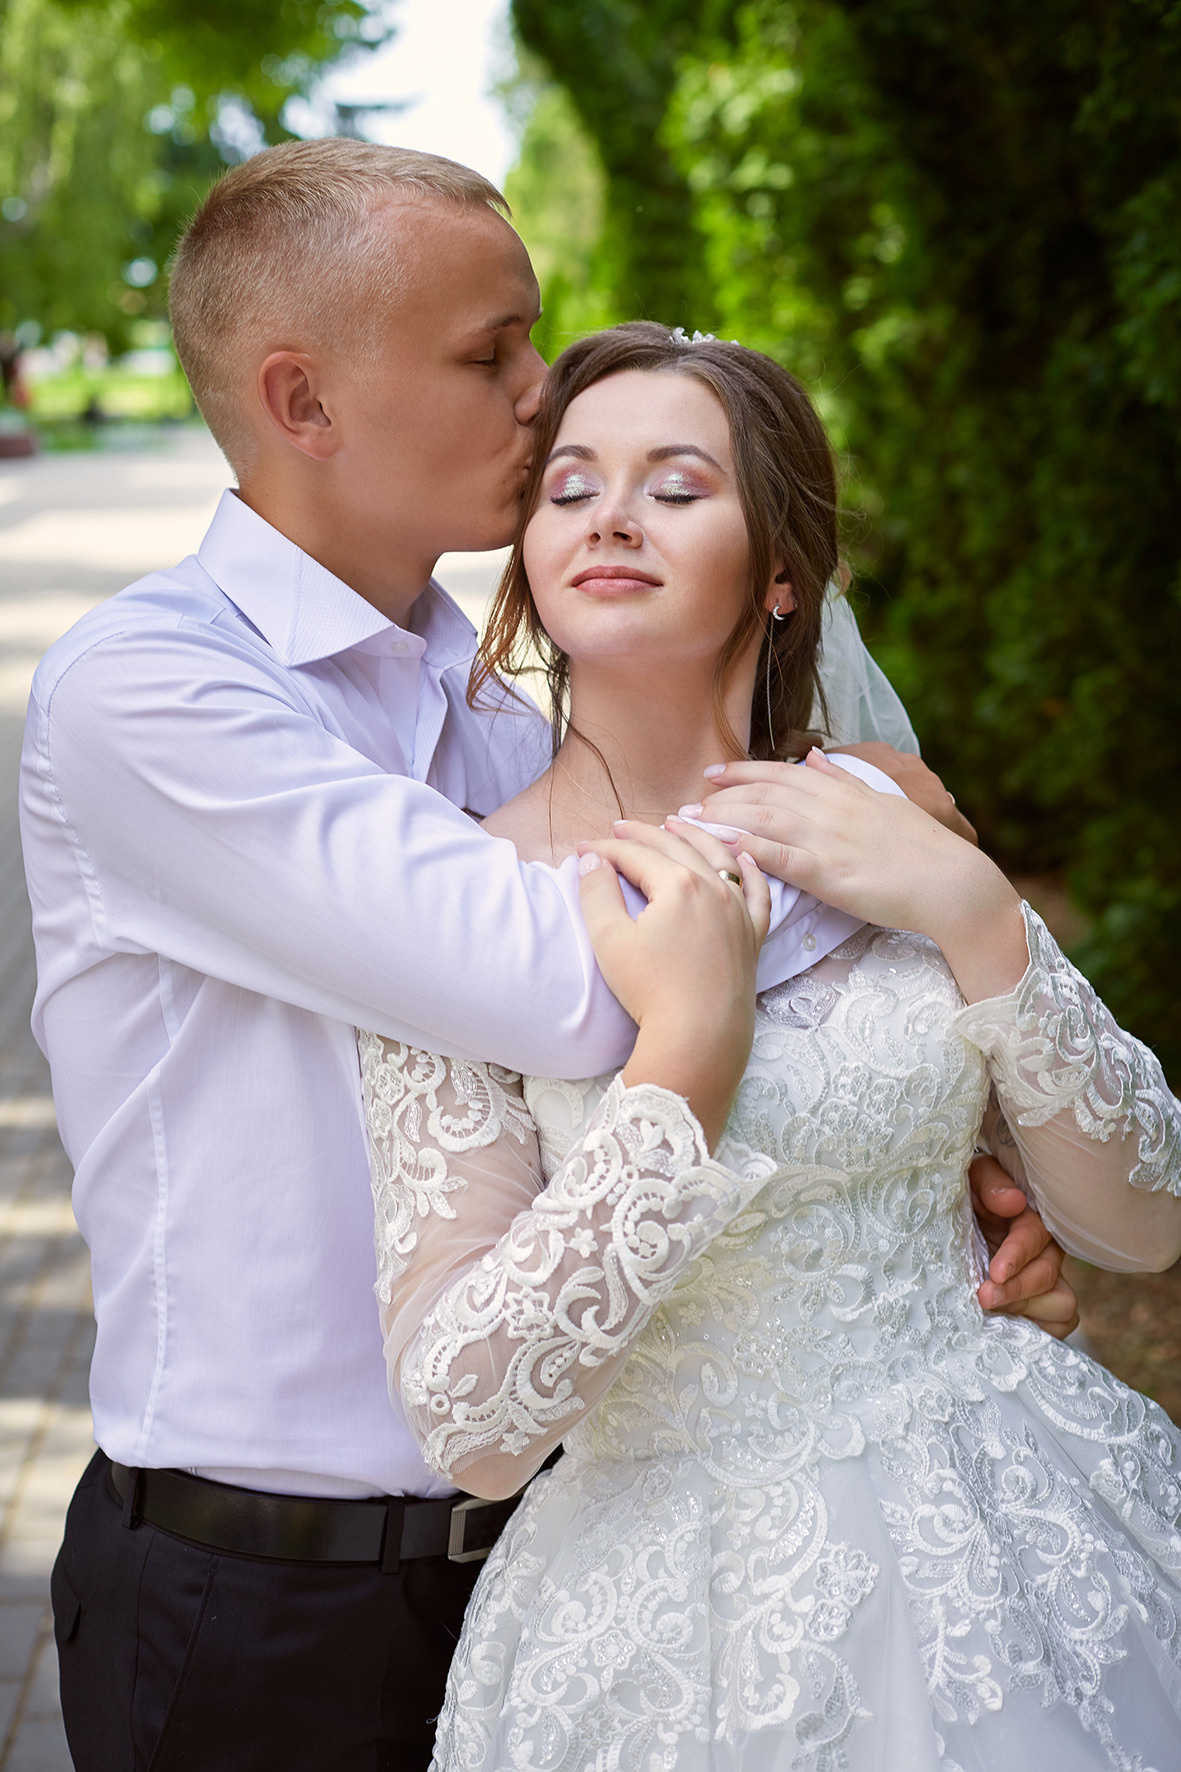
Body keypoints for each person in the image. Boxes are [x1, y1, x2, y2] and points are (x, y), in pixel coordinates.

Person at [19, 141, 1069, 1770]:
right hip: (266, 1601)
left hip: (566, 1562)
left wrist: (913, 1171)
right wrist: (863, 829)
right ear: (302, 404)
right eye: (486, 352)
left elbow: (708, 1046)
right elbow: (580, 987)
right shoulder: (153, 695)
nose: (538, 395)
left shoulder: (500, 716)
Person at [361, 323, 1181, 1770]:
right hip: (678, 1619)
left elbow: (1139, 1222)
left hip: (1017, 1526)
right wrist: (686, 1051)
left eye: (677, 486)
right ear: (530, 559)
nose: (611, 515)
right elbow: (468, 1423)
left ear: (783, 569)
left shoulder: (886, 822)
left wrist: (974, 912)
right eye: (569, 487)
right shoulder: (462, 906)